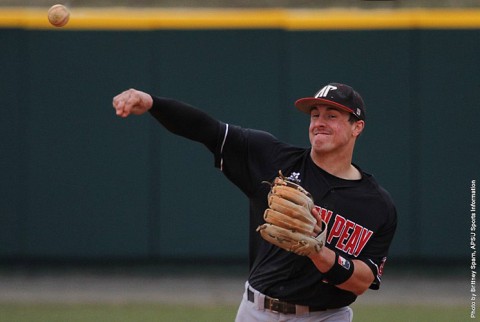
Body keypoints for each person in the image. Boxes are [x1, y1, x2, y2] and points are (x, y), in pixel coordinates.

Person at [112, 83, 397, 322]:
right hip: (257, 311)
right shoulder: (272, 159)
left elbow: (362, 281)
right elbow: (207, 130)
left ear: (357, 127)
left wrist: (319, 253)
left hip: (325, 316)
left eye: (332, 115)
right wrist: (152, 103)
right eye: (315, 114)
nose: (319, 122)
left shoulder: (376, 205)